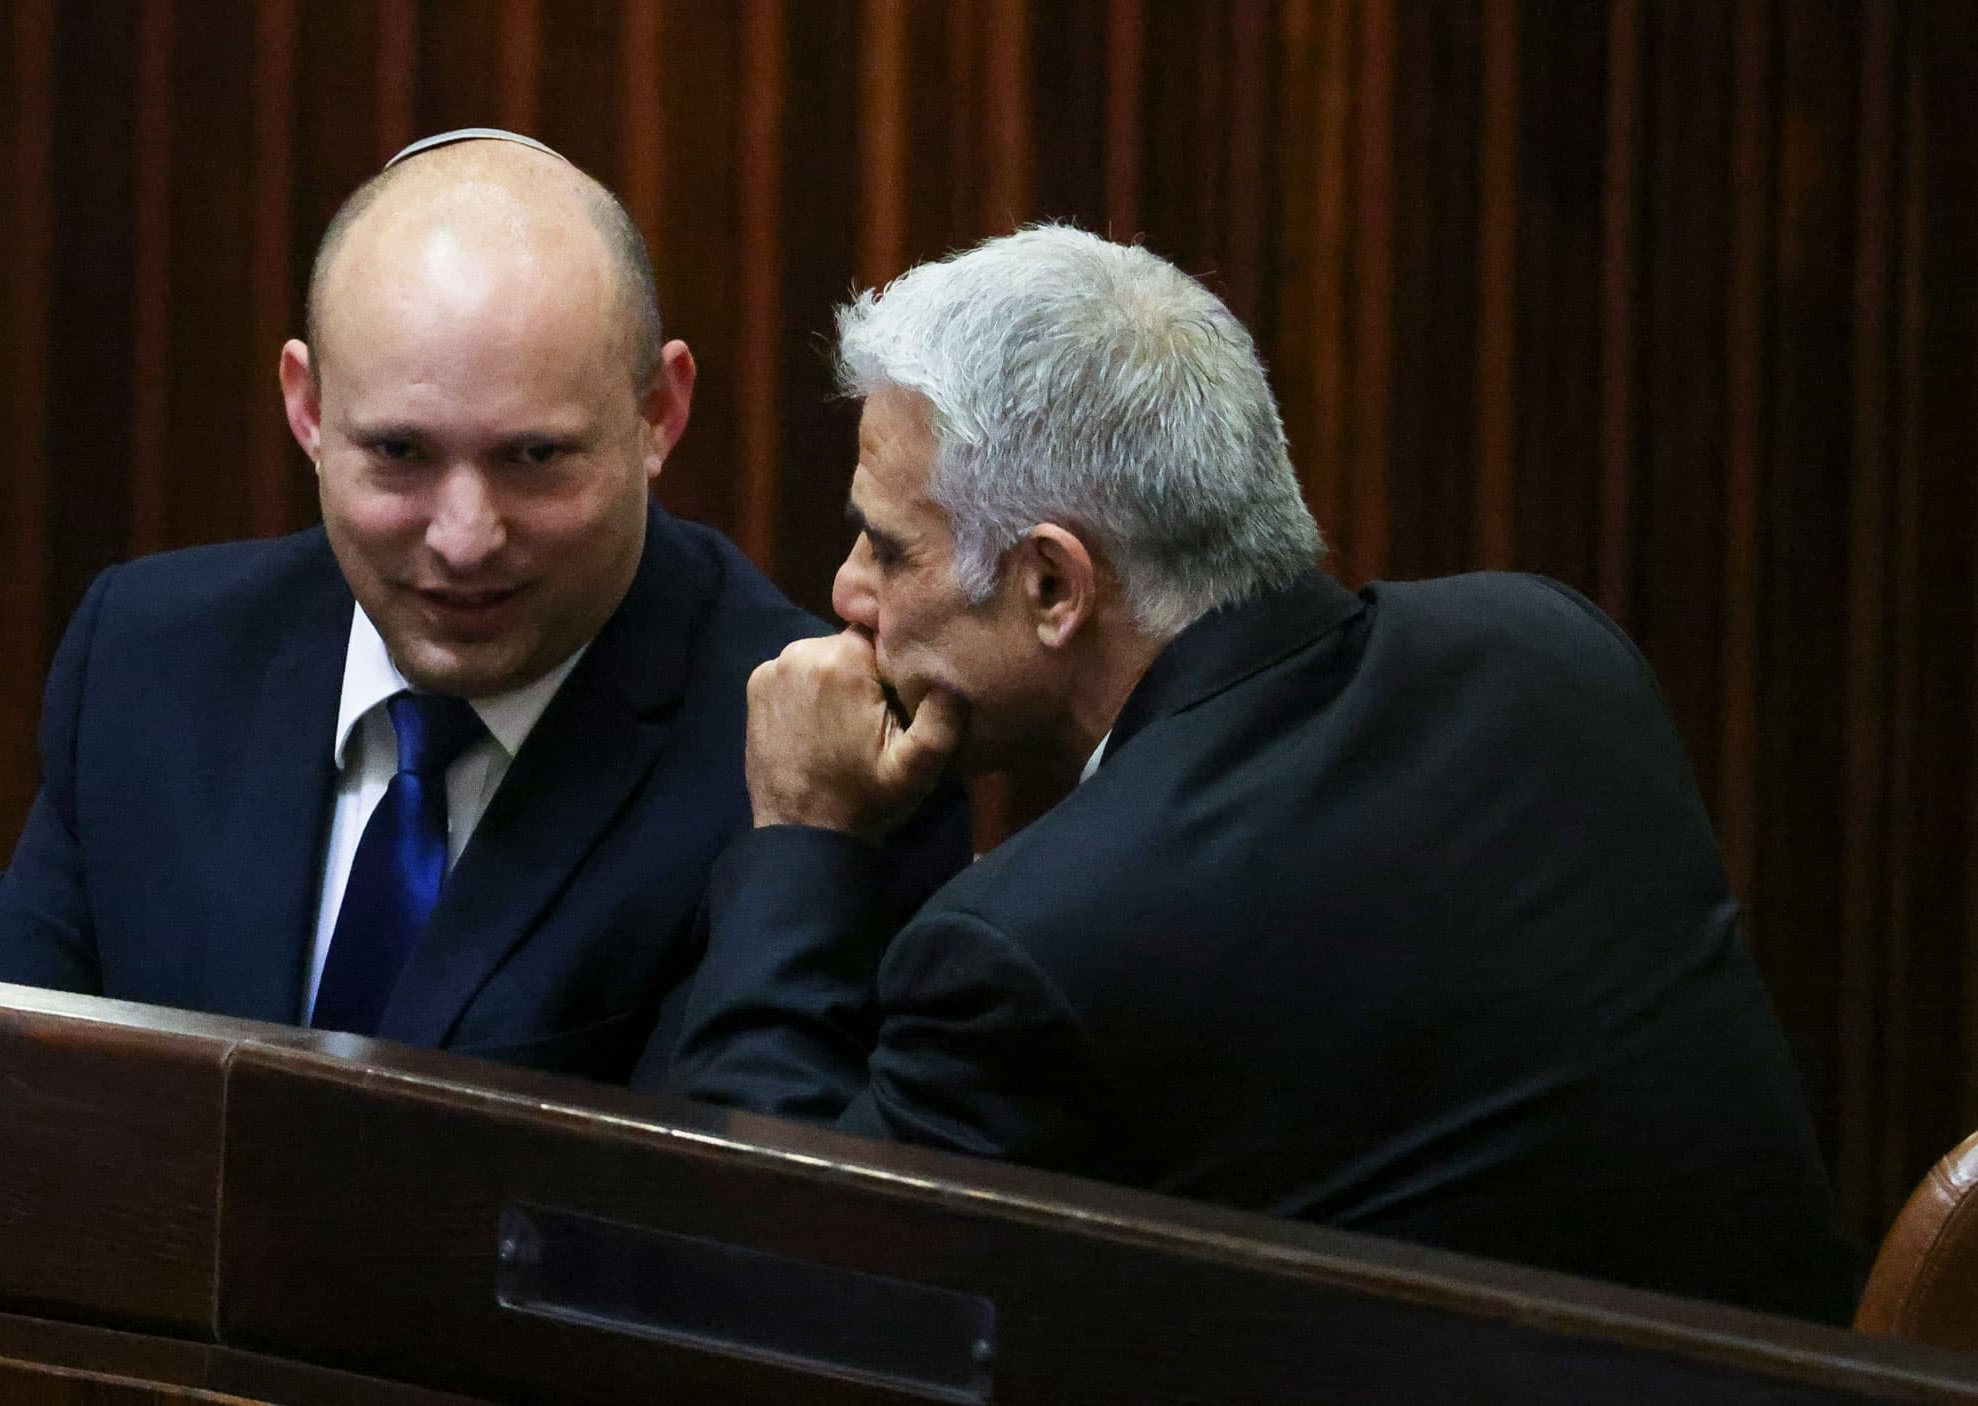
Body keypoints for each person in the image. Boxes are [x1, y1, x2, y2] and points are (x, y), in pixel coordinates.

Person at [670, 224, 1861, 1321]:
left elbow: (776, 1287)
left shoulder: (1039, 945)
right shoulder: (1551, 654)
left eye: (888, 547)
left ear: (1051, 585)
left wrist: (803, 837)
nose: (847, 591)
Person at [0, 131, 963, 1085]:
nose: (465, 537)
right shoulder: (152, 656)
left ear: (659, 412)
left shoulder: (827, 770)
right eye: (400, 452)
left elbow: (751, 1189)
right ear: (308, 408)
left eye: (534, 457)